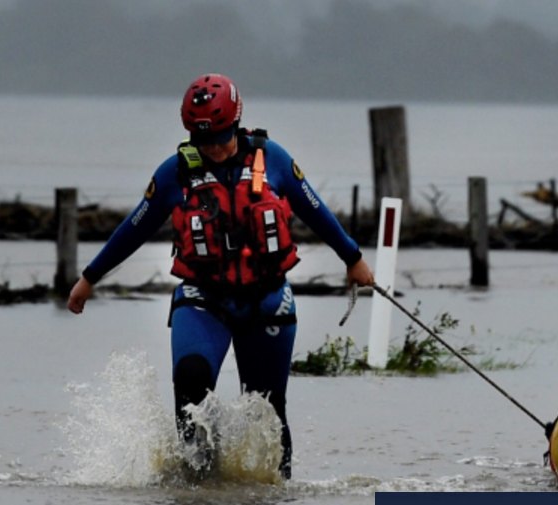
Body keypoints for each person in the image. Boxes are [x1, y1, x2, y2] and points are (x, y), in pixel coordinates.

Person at [66, 73, 374, 479]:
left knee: (268, 409)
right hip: (203, 299)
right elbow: (134, 228)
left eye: (219, 137)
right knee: (190, 382)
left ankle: (272, 497)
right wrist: (90, 277)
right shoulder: (174, 173)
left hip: (267, 300)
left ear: (236, 124)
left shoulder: (273, 159)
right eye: (201, 139)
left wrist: (352, 257)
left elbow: (315, 209)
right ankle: (197, 489)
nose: (211, 147)